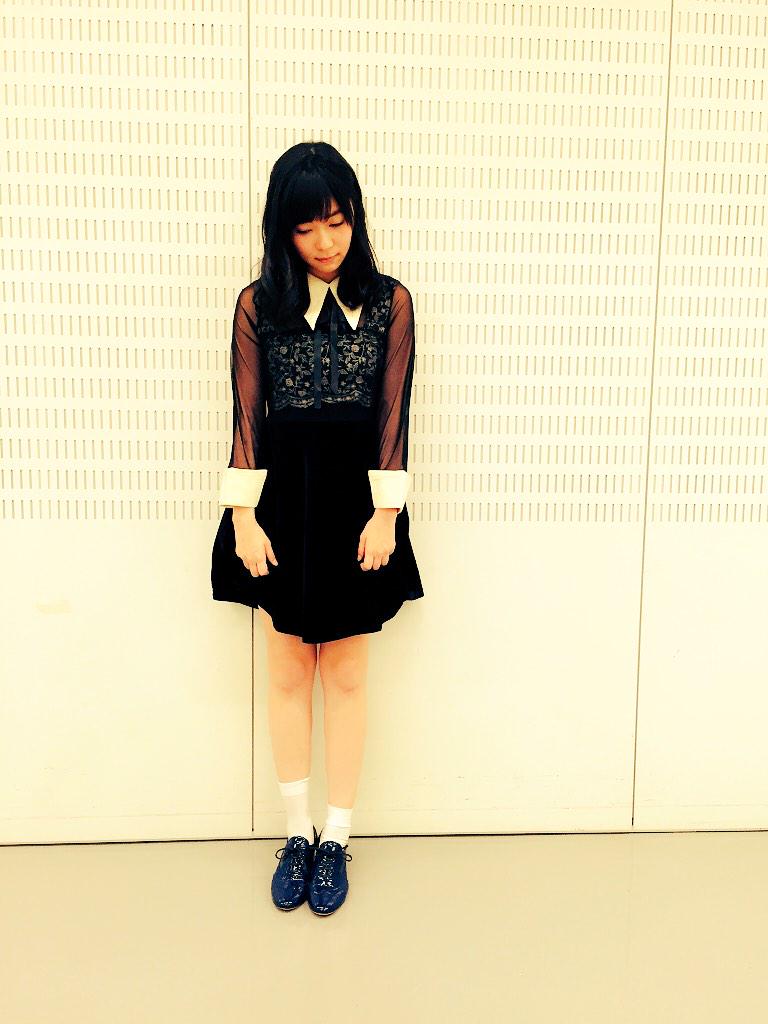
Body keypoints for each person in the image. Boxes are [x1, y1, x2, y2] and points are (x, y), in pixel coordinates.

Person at [210, 142, 425, 915]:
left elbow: (394, 414)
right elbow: (247, 417)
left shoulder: (391, 303)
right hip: (282, 506)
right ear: (283, 231)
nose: (326, 241)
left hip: (356, 506)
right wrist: (241, 515)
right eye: (307, 228)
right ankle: (296, 833)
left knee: (348, 675)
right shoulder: (257, 305)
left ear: (355, 218)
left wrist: (387, 514)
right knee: (286, 672)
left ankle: (337, 835)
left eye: (337, 221)